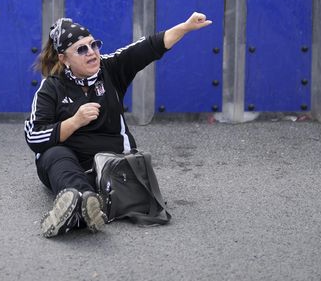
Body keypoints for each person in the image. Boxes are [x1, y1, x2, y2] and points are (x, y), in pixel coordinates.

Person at [25, 12, 212, 238]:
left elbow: (149, 47)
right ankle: (84, 201)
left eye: (94, 45)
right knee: (52, 153)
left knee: (100, 177)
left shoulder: (111, 69)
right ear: (64, 59)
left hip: (110, 164)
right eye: (81, 49)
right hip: (69, 164)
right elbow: (34, 135)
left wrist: (185, 27)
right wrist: (74, 121)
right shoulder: (51, 87)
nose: (92, 53)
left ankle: (77, 209)